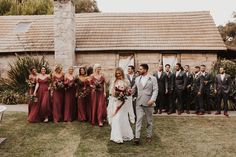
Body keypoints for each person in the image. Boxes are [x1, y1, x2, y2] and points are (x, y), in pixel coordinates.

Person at [132, 64, 158, 145]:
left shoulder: (152, 78)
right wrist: (130, 91)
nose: (139, 70)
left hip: (149, 102)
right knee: (138, 120)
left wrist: (152, 99)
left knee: (149, 121)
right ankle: (137, 137)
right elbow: (134, 88)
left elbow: (155, 90)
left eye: (140, 69)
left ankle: (149, 136)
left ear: (145, 70)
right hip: (139, 102)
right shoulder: (137, 78)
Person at [107, 67, 135, 144]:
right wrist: (117, 94)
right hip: (116, 102)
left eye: (119, 73)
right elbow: (112, 92)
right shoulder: (114, 81)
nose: (118, 75)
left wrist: (125, 94)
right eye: (117, 73)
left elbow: (129, 91)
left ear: (122, 73)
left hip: (123, 103)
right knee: (117, 118)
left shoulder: (126, 81)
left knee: (124, 118)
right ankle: (116, 136)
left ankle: (124, 134)